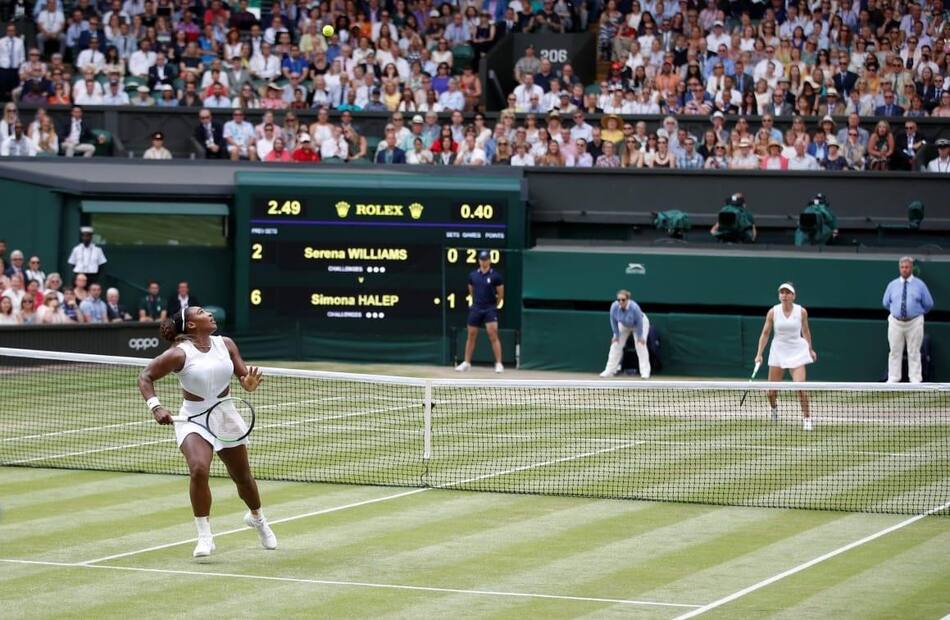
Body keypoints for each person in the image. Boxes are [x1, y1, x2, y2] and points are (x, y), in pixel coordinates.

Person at [138, 306, 276, 557]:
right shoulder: (178, 354)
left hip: (225, 416)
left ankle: (257, 518)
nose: (210, 314)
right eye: (202, 312)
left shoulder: (226, 344)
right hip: (193, 419)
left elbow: (245, 378)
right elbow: (145, 376)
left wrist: (249, 384)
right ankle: (204, 536)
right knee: (199, 469)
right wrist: (155, 407)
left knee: (243, 478)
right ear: (191, 325)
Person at [753, 283, 817, 431]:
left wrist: (810, 349)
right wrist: (759, 354)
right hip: (778, 352)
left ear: (793, 296)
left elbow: (806, 331)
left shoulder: (801, 312)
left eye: (788, 292)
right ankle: (774, 409)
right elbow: (765, 333)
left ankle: (807, 419)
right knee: (771, 392)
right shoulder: (772, 312)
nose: (784, 295)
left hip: (797, 351)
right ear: (779, 295)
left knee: (800, 388)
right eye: (782, 292)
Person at [882, 257, 934, 383]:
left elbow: (928, 303)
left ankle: (915, 379)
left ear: (911, 268)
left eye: (907, 267)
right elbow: (885, 302)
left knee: (914, 351)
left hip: (914, 322)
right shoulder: (892, 285)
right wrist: (897, 312)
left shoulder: (920, 285)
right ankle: (893, 378)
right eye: (902, 267)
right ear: (899, 268)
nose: (904, 269)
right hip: (895, 322)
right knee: (894, 351)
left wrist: (915, 313)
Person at [455, 250, 504, 373]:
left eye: (486, 259)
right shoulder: (473, 275)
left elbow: (501, 294)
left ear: (489, 260)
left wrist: (494, 305)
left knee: (493, 335)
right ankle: (467, 363)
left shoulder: (496, 276)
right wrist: (477, 302)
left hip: (490, 308)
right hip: (476, 307)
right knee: (471, 335)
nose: (484, 261)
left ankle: (498, 363)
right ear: (479, 261)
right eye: (482, 259)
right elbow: (471, 290)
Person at [599, 289, 650, 379]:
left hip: (638, 325)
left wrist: (640, 336)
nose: (620, 302)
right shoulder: (614, 307)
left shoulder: (634, 307)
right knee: (615, 344)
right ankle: (609, 370)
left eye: (623, 300)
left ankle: (645, 372)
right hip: (623, 324)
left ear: (628, 300)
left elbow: (639, 322)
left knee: (640, 345)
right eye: (619, 300)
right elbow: (613, 321)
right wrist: (616, 334)